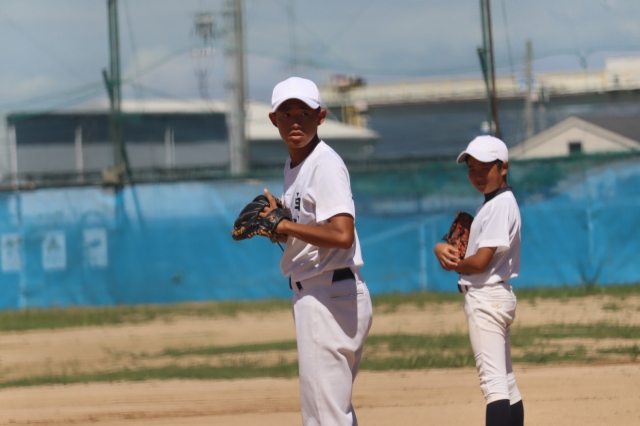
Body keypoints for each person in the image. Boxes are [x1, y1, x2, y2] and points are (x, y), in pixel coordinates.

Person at [260, 76, 373, 426]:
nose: (295, 121)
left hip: (328, 295)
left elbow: (342, 234)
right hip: (322, 292)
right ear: (274, 119)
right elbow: (313, 230)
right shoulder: (296, 165)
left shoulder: (324, 164)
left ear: (320, 116)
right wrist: (283, 227)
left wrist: (285, 226)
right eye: (286, 113)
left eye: (304, 113)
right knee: (329, 415)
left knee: (326, 419)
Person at [434, 135, 525, 426]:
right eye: (472, 169)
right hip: (497, 295)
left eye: (485, 168)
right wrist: (443, 248)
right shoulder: (496, 203)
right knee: (506, 382)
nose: (477, 175)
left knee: (494, 386)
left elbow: (481, 261)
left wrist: (454, 264)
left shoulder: (499, 205)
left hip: (486, 299)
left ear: (504, 167)